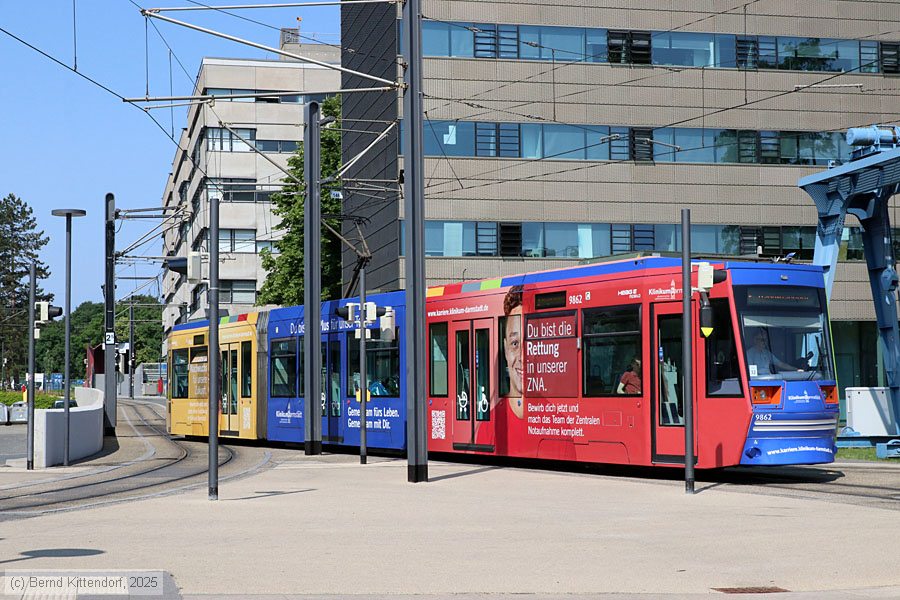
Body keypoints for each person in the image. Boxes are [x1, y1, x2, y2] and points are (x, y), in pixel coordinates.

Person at [502, 285, 524, 417]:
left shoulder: (560, 422)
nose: (522, 356)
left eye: (530, 343)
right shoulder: (487, 429)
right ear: (506, 349)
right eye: (515, 343)